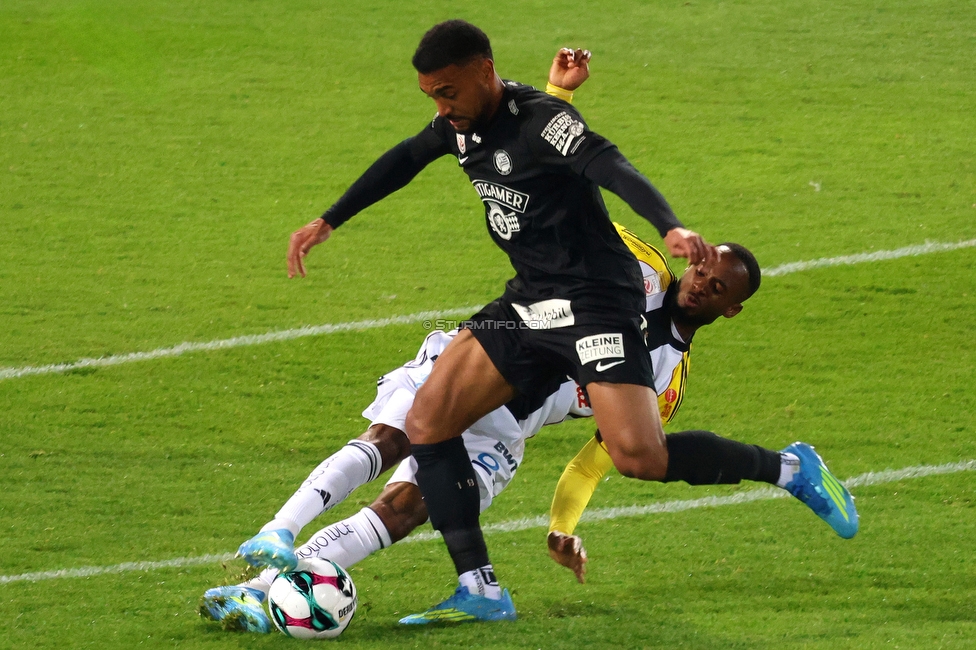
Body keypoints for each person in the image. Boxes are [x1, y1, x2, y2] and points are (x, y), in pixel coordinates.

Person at [200, 226, 857, 632]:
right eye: (702, 270)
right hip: (474, 364)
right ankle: (272, 548)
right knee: (390, 439)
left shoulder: (661, 381)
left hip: (503, 432)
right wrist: (557, 98)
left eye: (715, 288)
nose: (700, 284)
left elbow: (592, 465)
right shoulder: (644, 268)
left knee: (400, 511)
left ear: (731, 310)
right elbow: (566, 201)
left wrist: (563, 529)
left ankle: (264, 595)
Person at [285, 19, 723, 624]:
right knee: (428, 421)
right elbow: (405, 160)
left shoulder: (543, 119)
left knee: (638, 456)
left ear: (484, 72)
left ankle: (784, 468)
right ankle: (481, 589)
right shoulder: (459, 127)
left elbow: (605, 163)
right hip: (531, 302)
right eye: (430, 96)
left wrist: (669, 224)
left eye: (448, 91)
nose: (441, 108)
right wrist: (329, 220)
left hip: (594, 303)